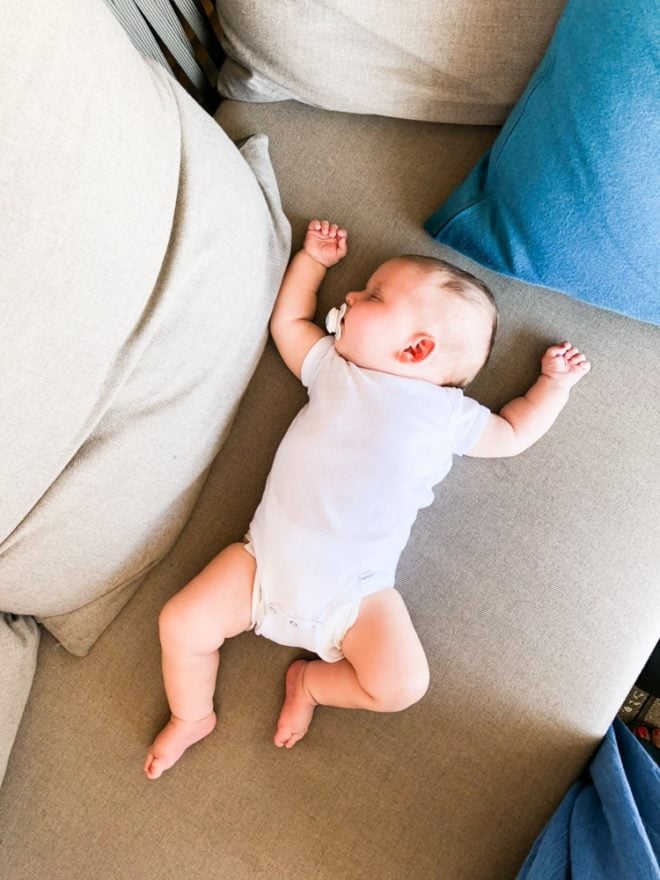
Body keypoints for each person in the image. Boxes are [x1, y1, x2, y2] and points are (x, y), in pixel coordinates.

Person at [144, 219, 591, 779]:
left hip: (356, 596)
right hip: (260, 564)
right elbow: (288, 322)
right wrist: (312, 263)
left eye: (372, 295)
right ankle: (192, 716)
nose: (350, 296)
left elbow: (513, 433)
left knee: (403, 685)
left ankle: (310, 683)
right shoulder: (335, 367)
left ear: (417, 348)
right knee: (181, 624)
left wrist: (552, 387)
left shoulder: (447, 417)